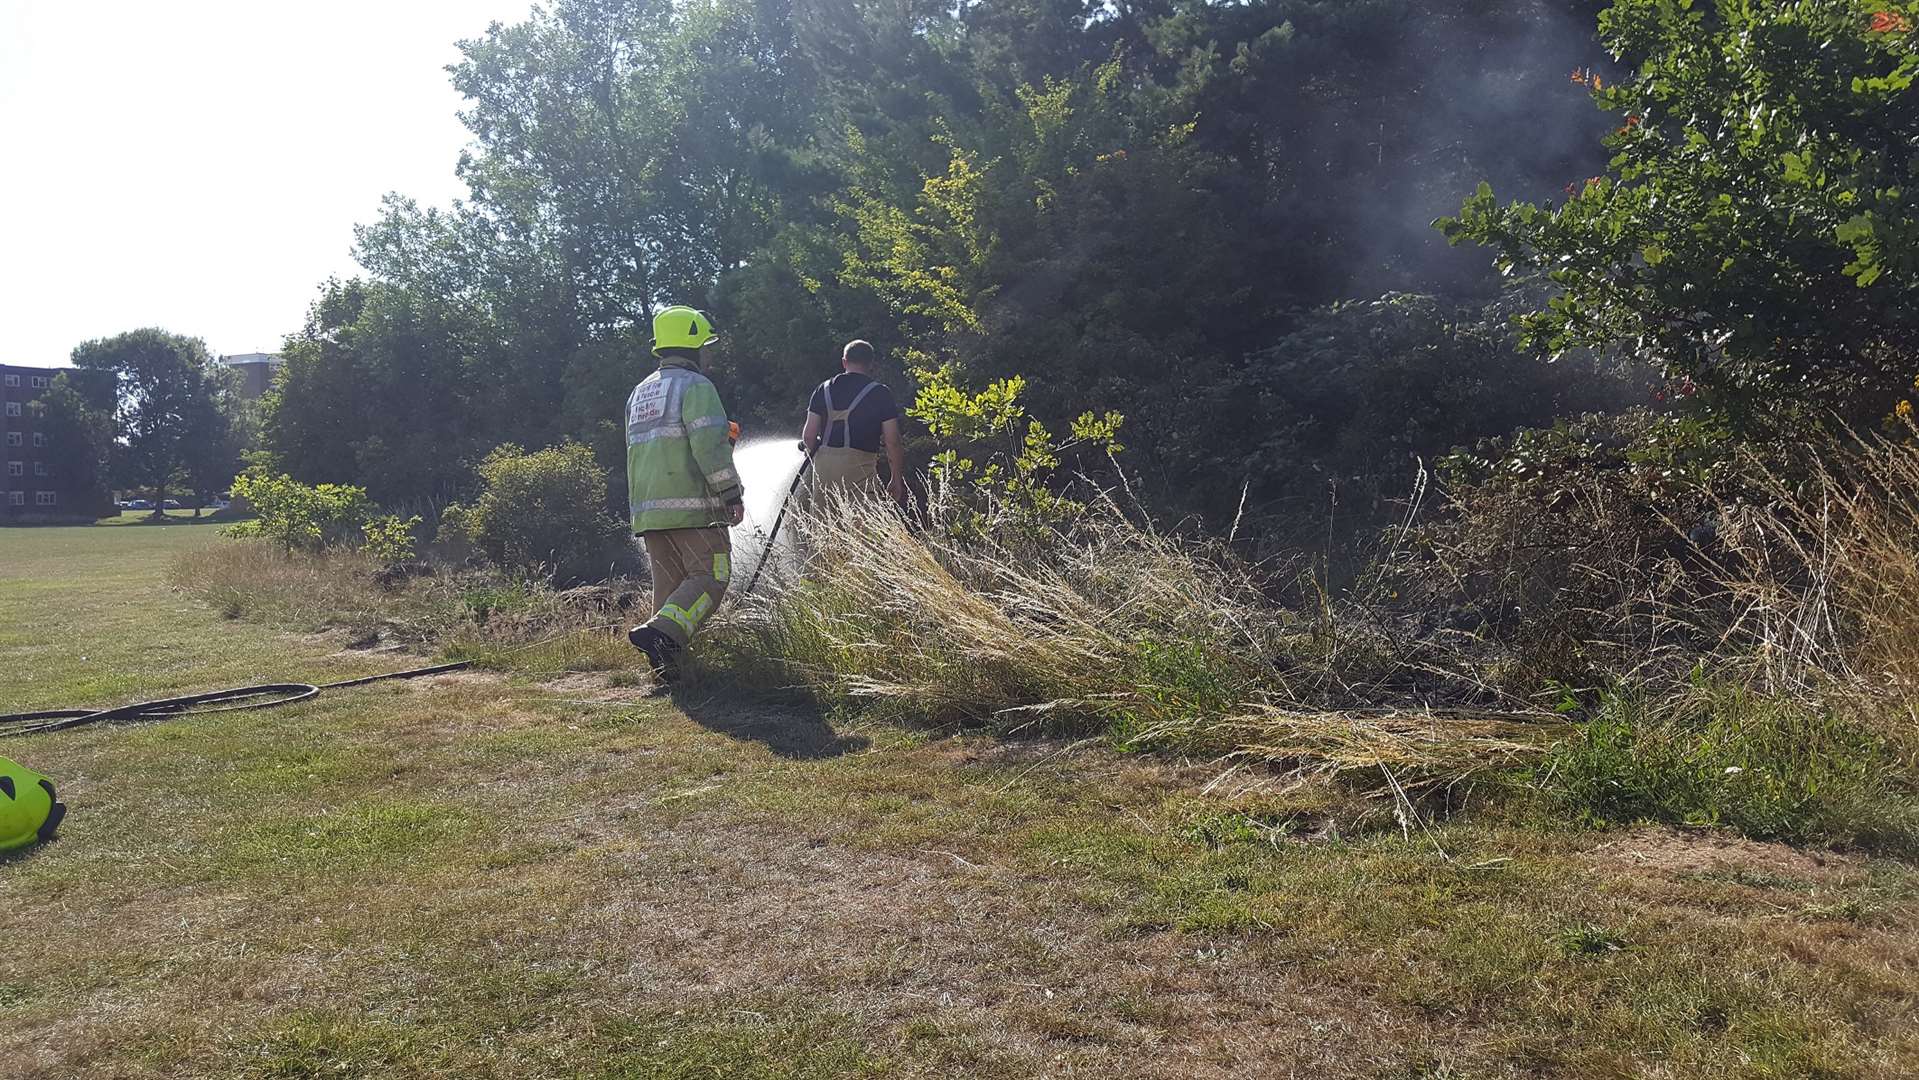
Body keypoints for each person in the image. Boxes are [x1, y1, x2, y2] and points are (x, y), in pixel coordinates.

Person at [625, 306, 744, 683]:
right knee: (713, 575)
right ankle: (661, 636)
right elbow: (708, 447)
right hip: (694, 508)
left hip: (649, 512)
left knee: (671, 588)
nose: (708, 353)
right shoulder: (696, 387)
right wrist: (730, 492)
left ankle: (668, 671)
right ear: (693, 345)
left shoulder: (640, 391)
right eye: (705, 345)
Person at [800, 339, 907, 505]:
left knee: (825, 526)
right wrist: (896, 478)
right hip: (860, 470)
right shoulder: (880, 393)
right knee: (863, 527)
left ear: (844, 362)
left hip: (825, 470)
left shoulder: (823, 389)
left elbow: (808, 437)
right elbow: (892, 441)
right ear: (871, 364)